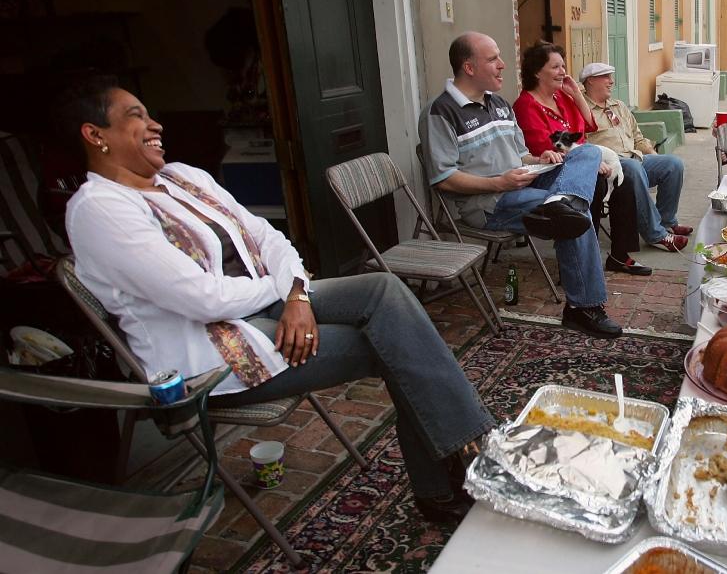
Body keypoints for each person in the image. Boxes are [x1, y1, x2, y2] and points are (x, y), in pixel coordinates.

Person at [58, 76, 493, 524]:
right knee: (397, 346)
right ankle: (457, 471)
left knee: (384, 292)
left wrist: (298, 293)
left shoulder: (184, 178)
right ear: (95, 135)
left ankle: (462, 463)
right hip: (213, 353)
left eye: (150, 114)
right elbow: (200, 297)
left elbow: (268, 236)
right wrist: (284, 290)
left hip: (270, 306)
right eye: (137, 117)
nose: (156, 125)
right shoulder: (100, 209)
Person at [420, 32, 622, 337]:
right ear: (470, 67)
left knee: (588, 152)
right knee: (575, 216)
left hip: (524, 182)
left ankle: (560, 203)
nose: (503, 65)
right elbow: (444, 179)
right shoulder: (440, 113)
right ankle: (582, 307)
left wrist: (538, 158)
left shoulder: (499, 104)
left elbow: (519, 155)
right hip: (488, 202)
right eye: (493, 59)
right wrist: (498, 182)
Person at [511, 43, 653, 276]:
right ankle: (585, 257)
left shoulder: (562, 98)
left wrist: (576, 93)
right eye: (555, 67)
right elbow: (547, 149)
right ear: (537, 72)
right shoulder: (526, 105)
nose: (562, 72)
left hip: (583, 161)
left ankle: (619, 255)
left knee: (622, 178)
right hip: (551, 171)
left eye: (563, 66)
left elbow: (587, 126)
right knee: (595, 183)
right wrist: (591, 162)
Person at [580, 62, 692, 255]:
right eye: (606, 77)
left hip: (634, 157)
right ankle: (656, 234)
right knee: (632, 167)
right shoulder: (581, 109)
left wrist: (655, 156)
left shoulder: (619, 106)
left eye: (611, 77)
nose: (611, 81)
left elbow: (638, 137)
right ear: (590, 80)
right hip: (609, 166)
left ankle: (666, 221)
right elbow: (580, 145)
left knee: (673, 164)